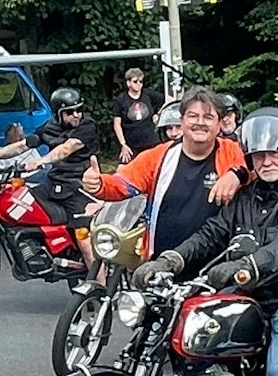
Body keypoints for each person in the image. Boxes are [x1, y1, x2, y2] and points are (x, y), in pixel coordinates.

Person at [136, 110, 278, 376]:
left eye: (274, 154)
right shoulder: (248, 194)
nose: (266, 162)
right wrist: (171, 259)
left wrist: (248, 265)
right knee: (194, 348)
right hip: (251, 293)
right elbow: (213, 232)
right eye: (258, 156)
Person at [84, 87, 246, 262]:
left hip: (216, 268)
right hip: (162, 265)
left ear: (219, 123)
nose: (200, 122)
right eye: (193, 116)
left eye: (208, 117)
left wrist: (236, 174)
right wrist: (99, 184)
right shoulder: (159, 156)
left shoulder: (232, 152)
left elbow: (255, 169)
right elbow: (123, 184)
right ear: (182, 120)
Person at [0, 86, 97, 223]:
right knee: (22, 202)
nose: (76, 115)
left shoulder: (87, 126)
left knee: (82, 233)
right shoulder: (50, 127)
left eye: (79, 110)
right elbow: (22, 145)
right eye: (70, 112)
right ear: (59, 113)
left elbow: (66, 149)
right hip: (54, 182)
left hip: (78, 184)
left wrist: (40, 161)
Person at [113, 68, 165, 163]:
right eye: (135, 81)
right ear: (128, 83)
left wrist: (158, 114)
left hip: (151, 142)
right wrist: (123, 144)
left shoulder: (149, 94)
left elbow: (168, 100)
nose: (138, 84)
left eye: (141, 81)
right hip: (132, 144)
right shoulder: (120, 100)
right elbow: (117, 124)